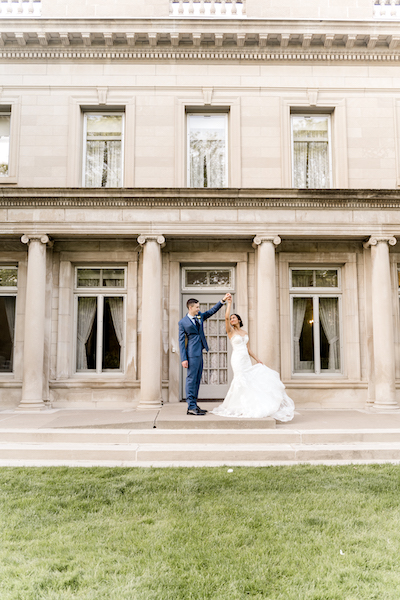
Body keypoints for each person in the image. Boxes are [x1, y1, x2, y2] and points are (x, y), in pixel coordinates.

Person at [211, 298, 295, 421]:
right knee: (240, 379)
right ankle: (237, 405)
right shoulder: (230, 331)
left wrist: (257, 359)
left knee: (249, 380)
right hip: (237, 359)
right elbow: (226, 318)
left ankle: (250, 403)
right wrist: (229, 303)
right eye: (231, 318)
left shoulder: (244, 332)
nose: (232, 319)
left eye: (234, 318)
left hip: (246, 359)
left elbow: (248, 349)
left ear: (239, 320)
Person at [179, 293, 232, 415]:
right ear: (190, 308)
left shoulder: (200, 316)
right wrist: (184, 358)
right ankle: (191, 406)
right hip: (191, 354)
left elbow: (211, 311)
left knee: (197, 379)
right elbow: (181, 341)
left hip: (200, 352)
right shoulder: (183, 322)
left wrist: (222, 300)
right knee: (191, 379)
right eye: (197, 307)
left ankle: (194, 405)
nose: (199, 309)